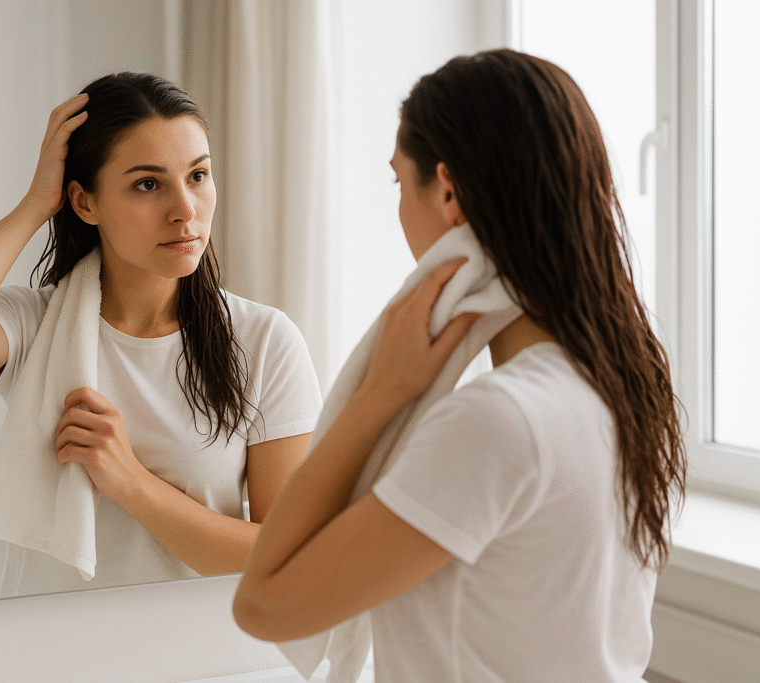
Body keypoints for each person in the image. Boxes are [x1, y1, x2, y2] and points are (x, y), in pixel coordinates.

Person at [233, 49, 685, 682]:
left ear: (448, 193)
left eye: (399, 182)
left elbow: (263, 604)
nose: (398, 208)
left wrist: (379, 394)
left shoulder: (498, 420)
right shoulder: (625, 381)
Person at [0, 72, 321, 593]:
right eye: (148, 184)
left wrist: (131, 483)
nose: (185, 210)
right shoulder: (39, 326)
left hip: (199, 662)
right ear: (84, 202)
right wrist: (36, 203)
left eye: (198, 176)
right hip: (53, 652)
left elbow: (285, 559)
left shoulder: (265, 343)